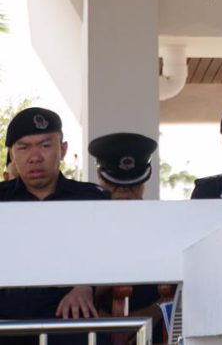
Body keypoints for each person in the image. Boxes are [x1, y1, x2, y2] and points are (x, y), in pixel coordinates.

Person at [0, 107, 108, 344]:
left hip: (69, 314)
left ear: (63, 149)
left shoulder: (91, 199)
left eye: (45, 145)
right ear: (12, 155)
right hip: (7, 314)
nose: (35, 156)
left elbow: (108, 253)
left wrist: (85, 286)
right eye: (24, 147)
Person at [87, 132, 172, 343]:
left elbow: (178, 290)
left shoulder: (166, 227)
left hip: (156, 331)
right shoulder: (85, 226)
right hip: (94, 329)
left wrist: (150, 315)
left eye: (133, 185)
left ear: (145, 180)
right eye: (115, 184)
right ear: (100, 176)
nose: (125, 191)